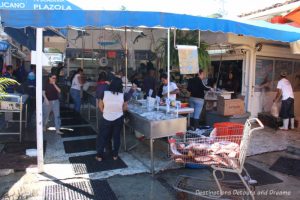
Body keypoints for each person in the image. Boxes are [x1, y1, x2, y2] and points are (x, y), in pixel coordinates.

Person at [96, 78, 136, 161]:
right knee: (116, 137)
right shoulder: (122, 95)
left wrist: (106, 112)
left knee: (102, 137)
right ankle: (115, 156)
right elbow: (125, 108)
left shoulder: (104, 94)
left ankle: (99, 156)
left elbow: (100, 106)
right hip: (118, 119)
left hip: (106, 118)